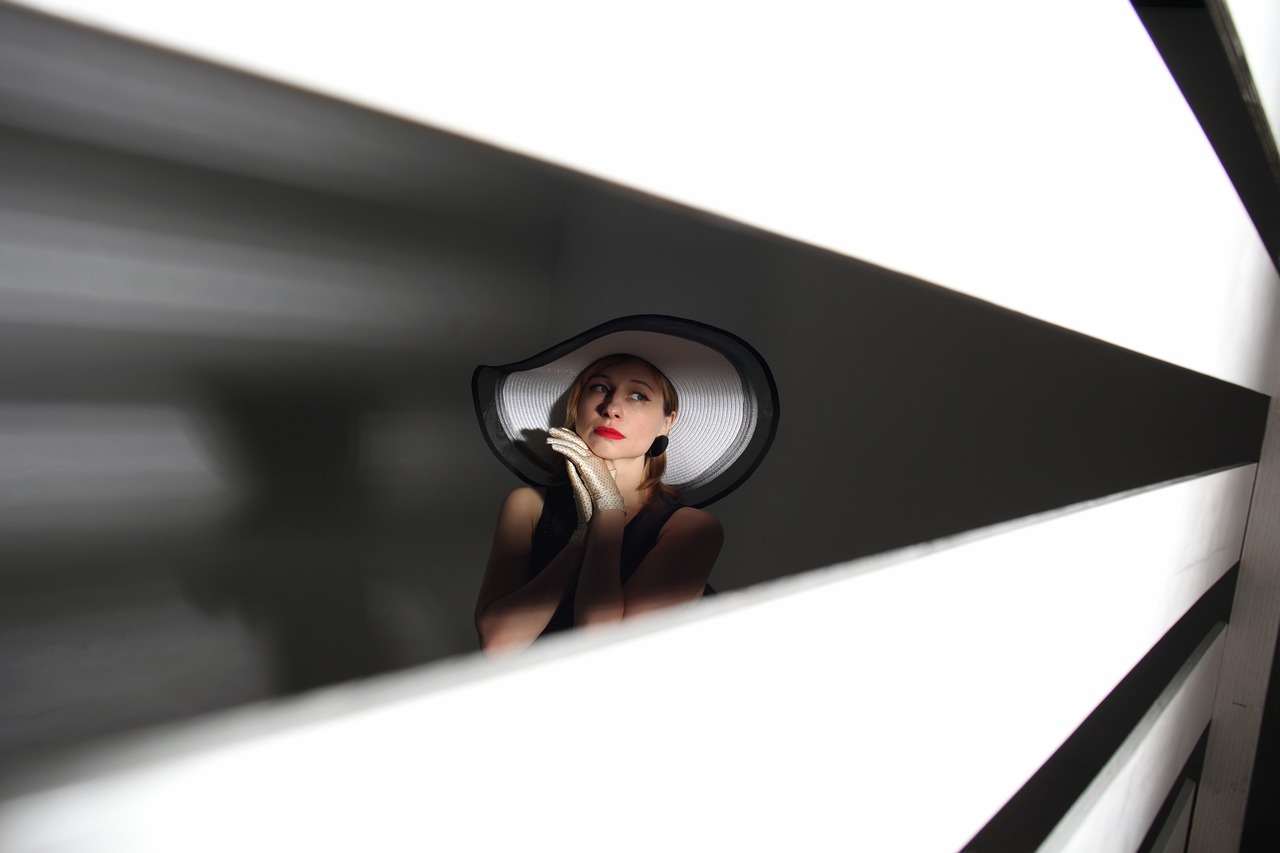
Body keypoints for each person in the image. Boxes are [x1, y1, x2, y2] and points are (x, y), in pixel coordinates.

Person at [470, 315, 778, 656]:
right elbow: (498, 644)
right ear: (576, 407)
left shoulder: (692, 530)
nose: (612, 407)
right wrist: (581, 536)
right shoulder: (528, 506)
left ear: (667, 421)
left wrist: (609, 511)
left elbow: (600, 646)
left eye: (638, 395)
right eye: (600, 387)